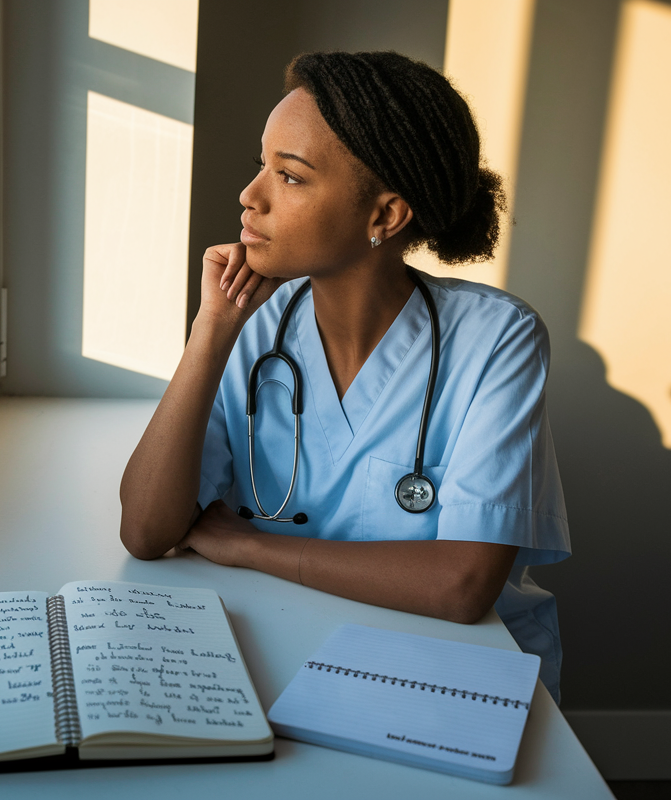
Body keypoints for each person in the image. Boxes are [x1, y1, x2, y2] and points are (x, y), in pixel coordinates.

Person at [118, 51, 570, 703]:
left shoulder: (498, 339)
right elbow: (145, 532)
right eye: (260, 167)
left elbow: (461, 585)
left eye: (291, 177)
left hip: (451, 674)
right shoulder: (253, 323)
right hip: (283, 645)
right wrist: (211, 330)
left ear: (384, 217)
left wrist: (249, 547)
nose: (250, 197)